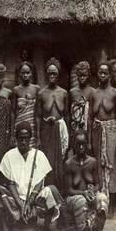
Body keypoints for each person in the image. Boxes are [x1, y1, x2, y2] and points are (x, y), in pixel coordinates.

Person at [0, 122, 64, 231]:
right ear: (16, 138)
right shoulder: (9, 155)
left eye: (26, 138)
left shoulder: (39, 155)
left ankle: (45, 230)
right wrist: (21, 204)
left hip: (35, 200)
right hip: (14, 201)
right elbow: (10, 183)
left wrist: (30, 202)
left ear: (30, 138)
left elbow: (39, 182)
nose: (23, 141)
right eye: (20, 138)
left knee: (51, 190)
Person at [64, 130, 109, 231]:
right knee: (80, 201)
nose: (81, 147)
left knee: (103, 199)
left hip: (90, 194)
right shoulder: (69, 164)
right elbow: (68, 190)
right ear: (74, 145)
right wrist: (83, 193)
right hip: (74, 197)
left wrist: (92, 192)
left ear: (87, 144)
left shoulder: (93, 162)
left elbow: (98, 184)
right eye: (78, 144)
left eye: (83, 143)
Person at [89, 62, 116, 218]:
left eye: (105, 73)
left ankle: (112, 205)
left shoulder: (115, 93)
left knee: (111, 165)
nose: (102, 75)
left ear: (109, 75)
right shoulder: (94, 93)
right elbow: (90, 118)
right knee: (97, 165)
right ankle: (100, 203)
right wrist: (89, 139)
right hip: (96, 130)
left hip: (111, 130)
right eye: (100, 72)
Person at [36, 58, 69, 192]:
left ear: (58, 74)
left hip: (60, 130)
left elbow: (67, 116)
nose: (52, 76)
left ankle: (59, 193)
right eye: (49, 73)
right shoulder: (41, 93)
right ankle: (46, 193)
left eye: (54, 73)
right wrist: (38, 137)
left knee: (60, 164)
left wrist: (68, 137)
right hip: (46, 131)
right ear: (46, 74)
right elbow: (37, 116)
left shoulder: (64, 93)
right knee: (47, 162)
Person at [12, 62, 40, 147]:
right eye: (23, 73)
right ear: (19, 74)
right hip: (19, 124)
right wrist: (12, 134)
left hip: (32, 126)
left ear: (31, 73)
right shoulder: (16, 90)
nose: (25, 75)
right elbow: (13, 112)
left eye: (27, 73)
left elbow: (38, 114)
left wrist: (38, 136)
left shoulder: (36, 89)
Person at [68, 61, 94, 145]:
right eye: (80, 75)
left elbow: (92, 115)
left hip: (89, 129)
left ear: (88, 75)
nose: (82, 78)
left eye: (84, 75)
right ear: (77, 76)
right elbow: (68, 114)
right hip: (75, 129)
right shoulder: (72, 92)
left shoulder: (92, 91)